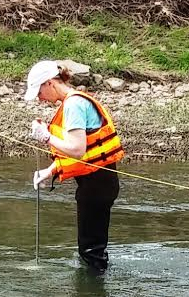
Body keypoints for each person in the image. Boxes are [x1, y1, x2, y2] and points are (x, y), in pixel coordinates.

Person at [25, 60, 125, 273]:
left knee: (91, 252)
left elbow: (77, 149)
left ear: (50, 83)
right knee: (91, 248)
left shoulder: (73, 105)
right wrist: (49, 171)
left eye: (39, 93)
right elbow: (86, 155)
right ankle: (90, 293)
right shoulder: (73, 102)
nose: (40, 100)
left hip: (97, 187)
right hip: (99, 184)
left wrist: (46, 137)